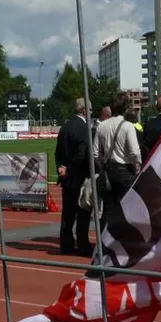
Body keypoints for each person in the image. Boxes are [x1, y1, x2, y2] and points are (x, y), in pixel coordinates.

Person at [93, 92, 141, 230]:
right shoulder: (128, 126)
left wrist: (103, 166)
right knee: (128, 208)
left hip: (108, 170)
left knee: (107, 209)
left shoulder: (102, 126)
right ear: (126, 108)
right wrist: (137, 167)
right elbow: (135, 152)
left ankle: (104, 242)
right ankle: (125, 243)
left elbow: (95, 152)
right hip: (125, 171)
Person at [55, 98, 92, 256]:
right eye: (90, 110)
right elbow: (82, 154)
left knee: (67, 214)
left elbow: (57, 152)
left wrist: (61, 168)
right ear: (84, 111)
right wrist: (70, 169)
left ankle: (66, 245)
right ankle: (83, 245)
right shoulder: (84, 128)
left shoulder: (65, 127)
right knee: (83, 212)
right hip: (79, 176)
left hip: (66, 177)